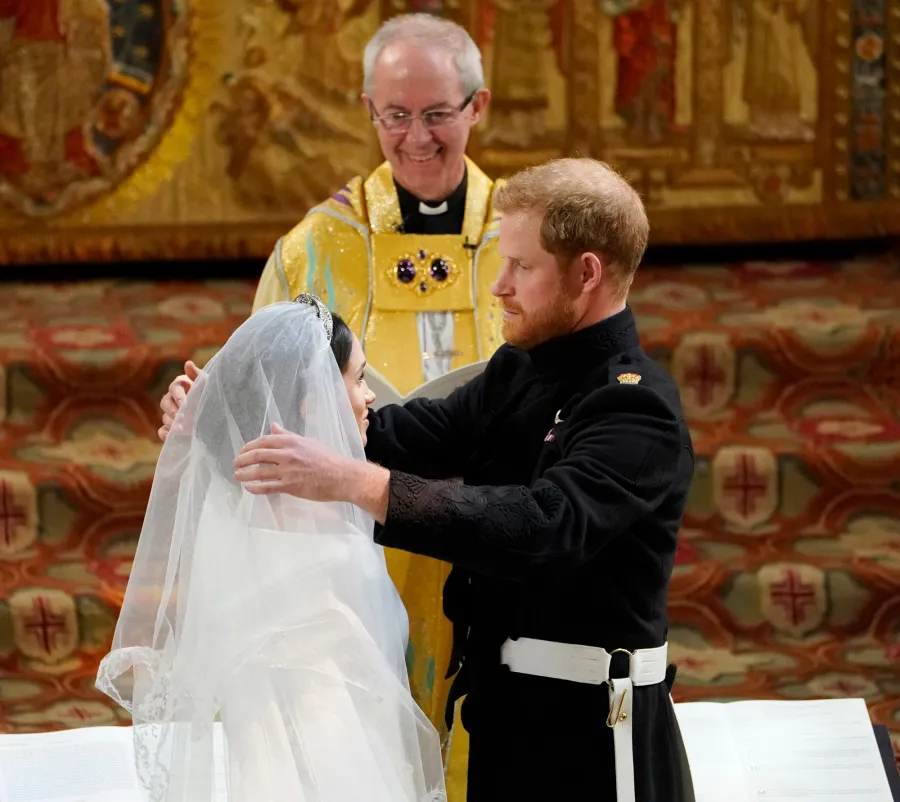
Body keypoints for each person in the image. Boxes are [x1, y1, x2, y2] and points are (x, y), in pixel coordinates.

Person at [232, 158, 697, 802]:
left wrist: (357, 483)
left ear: (587, 273)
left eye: (522, 267)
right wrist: (222, 418)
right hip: (506, 718)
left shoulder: (634, 406)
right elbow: (404, 435)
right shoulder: (522, 368)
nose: (499, 286)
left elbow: (541, 526)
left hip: (593, 733)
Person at [159, 13, 505, 745]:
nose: (416, 137)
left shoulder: (525, 236)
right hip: (353, 548)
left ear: (478, 106)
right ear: (368, 112)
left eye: (437, 114)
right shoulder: (315, 246)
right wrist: (204, 414)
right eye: (396, 115)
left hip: (495, 538)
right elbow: (259, 402)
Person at [97, 296, 446, 802]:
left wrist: (210, 410)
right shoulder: (308, 506)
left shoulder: (244, 487)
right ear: (315, 397)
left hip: (297, 716)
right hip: (320, 718)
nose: (369, 396)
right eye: (360, 378)